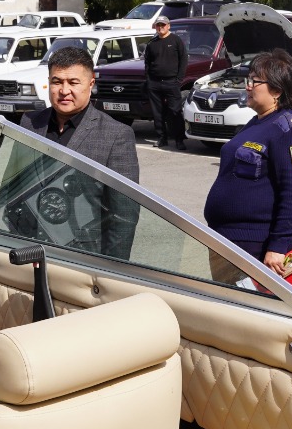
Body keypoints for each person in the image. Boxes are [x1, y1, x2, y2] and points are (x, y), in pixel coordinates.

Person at [21, 44, 139, 257]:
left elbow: (124, 215)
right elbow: (12, 190)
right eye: (57, 81)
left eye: (73, 82)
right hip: (29, 250)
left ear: (91, 83)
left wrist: (111, 270)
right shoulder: (30, 123)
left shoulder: (116, 135)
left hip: (83, 256)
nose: (64, 91)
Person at [203, 50, 292, 273]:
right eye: (248, 80)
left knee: (245, 298)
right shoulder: (258, 122)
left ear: (277, 90)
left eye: (255, 81)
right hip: (229, 239)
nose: (248, 86)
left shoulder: (290, 131)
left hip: (257, 246)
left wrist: (278, 246)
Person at [143, 17, 188, 150]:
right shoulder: (152, 43)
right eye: (158, 25)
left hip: (171, 82)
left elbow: (183, 59)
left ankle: (179, 140)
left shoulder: (176, 40)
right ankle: (161, 138)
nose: (160, 27)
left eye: (163, 25)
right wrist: (149, 79)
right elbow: (147, 62)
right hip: (154, 83)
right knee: (157, 113)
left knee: (175, 111)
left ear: (168, 26)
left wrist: (179, 79)